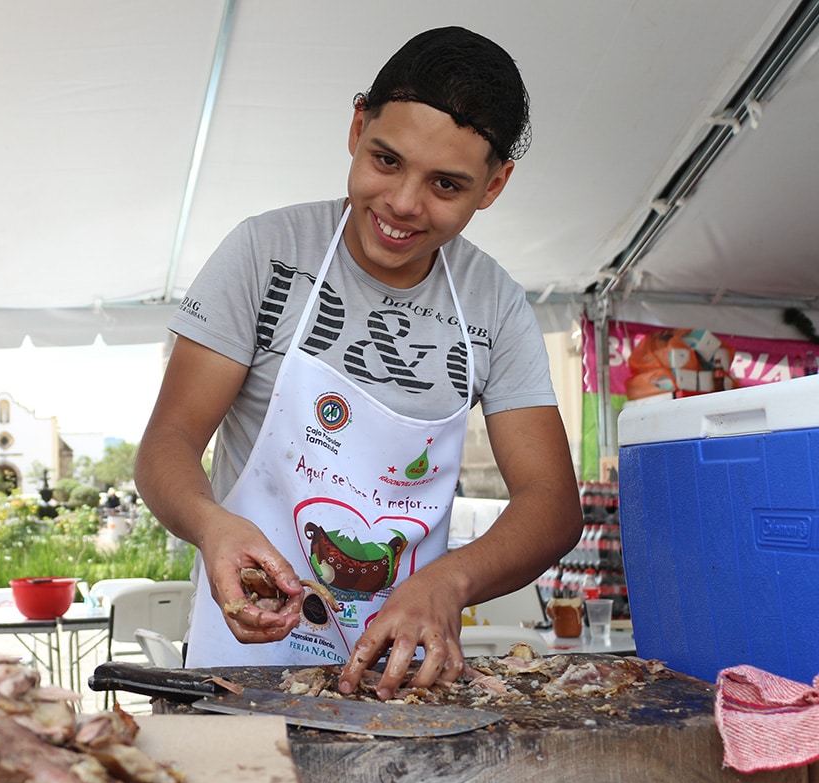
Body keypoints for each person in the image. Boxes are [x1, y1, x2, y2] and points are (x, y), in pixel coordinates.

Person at [135, 26, 583, 699]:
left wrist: (448, 581)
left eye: (447, 185)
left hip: (402, 676)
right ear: (356, 127)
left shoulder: (492, 303)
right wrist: (213, 525)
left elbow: (551, 504)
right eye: (387, 160)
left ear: (494, 186)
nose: (403, 203)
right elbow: (166, 444)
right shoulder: (267, 254)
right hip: (244, 666)